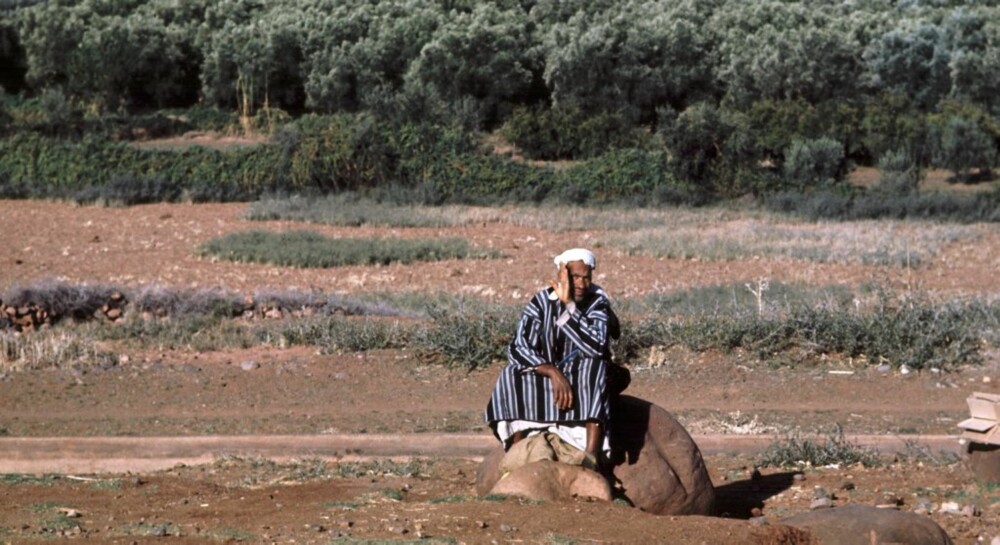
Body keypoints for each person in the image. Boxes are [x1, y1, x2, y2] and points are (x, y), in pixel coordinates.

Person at [484, 248, 626, 471]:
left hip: (582, 375)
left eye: (586, 277)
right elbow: (518, 346)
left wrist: (569, 306)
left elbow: (596, 347)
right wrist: (551, 371)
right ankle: (518, 449)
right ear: (562, 275)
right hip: (549, 375)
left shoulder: (597, 302)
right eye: (574, 277)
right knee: (510, 374)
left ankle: (592, 456)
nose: (581, 283)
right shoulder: (541, 302)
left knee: (594, 367)